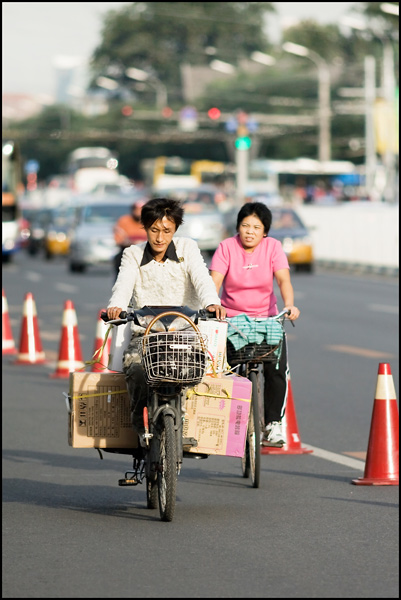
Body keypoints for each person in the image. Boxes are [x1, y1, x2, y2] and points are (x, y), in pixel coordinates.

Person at [107, 197, 226, 444]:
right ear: (145, 227)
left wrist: (211, 302)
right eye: (154, 230)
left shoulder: (188, 248)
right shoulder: (132, 254)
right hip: (146, 333)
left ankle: (180, 423)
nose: (160, 238)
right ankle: (139, 420)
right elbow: (123, 285)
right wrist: (115, 307)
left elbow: (202, 279)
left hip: (185, 332)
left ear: (176, 230)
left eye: (167, 231)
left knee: (194, 368)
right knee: (136, 367)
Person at [209, 202, 300, 447]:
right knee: (220, 368)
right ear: (238, 227)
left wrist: (289, 305)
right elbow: (213, 282)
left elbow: (283, 280)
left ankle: (273, 425)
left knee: (277, 367)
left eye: (256, 227)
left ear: (265, 231)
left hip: (266, 319)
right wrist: (210, 304)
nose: (250, 231)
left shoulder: (273, 248)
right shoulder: (226, 247)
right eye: (245, 225)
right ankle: (219, 419)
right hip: (231, 320)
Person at [113, 199, 148, 276]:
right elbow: (119, 240)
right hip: (128, 251)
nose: (139, 212)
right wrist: (133, 243)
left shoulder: (150, 222)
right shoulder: (124, 221)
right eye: (137, 209)